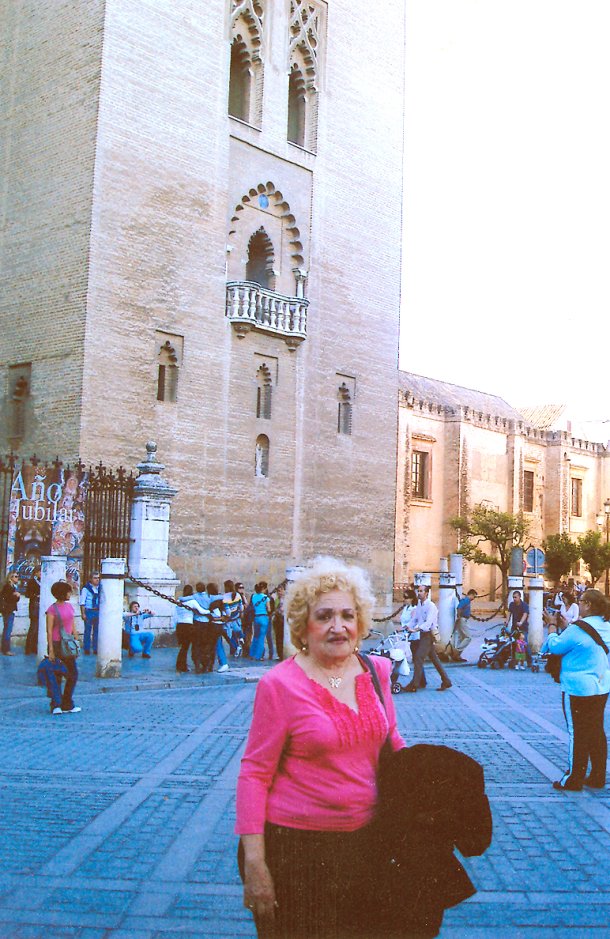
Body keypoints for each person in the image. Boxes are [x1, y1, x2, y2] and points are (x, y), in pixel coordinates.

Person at [235, 556, 405, 938]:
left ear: (360, 621)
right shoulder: (280, 685)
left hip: (366, 843)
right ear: (303, 623)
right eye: (324, 615)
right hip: (296, 850)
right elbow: (254, 774)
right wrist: (256, 864)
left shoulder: (376, 671)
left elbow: (393, 743)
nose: (338, 626)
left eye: (347, 615)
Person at [541, 588, 610, 792]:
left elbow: (555, 647)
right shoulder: (606, 625)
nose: (578, 604)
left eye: (581, 601)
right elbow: (584, 641)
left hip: (577, 688)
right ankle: (598, 776)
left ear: (588, 604)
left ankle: (573, 778)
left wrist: (552, 627)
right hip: (601, 686)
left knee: (577, 732)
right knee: (596, 730)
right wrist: (567, 626)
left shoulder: (579, 628)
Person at [405, 585, 452, 692]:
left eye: (422, 591)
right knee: (434, 659)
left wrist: (415, 629)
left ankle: (415, 684)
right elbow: (415, 619)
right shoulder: (419, 606)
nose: (419, 593)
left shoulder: (431, 606)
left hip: (429, 635)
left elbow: (428, 623)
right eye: (418, 591)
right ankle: (446, 680)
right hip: (423, 635)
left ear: (427, 593)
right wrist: (408, 626)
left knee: (418, 657)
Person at [45, 581, 81, 715]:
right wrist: (51, 651)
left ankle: (67, 702)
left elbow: (72, 624)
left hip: (68, 644)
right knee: (56, 675)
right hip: (56, 643)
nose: (69, 594)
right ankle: (55, 704)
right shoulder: (52, 609)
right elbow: (49, 630)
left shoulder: (70, 607)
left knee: (73, 674)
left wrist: (76, 640)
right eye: (68, 591)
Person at [174, 585, 207, 673]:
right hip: (188, 626)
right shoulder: (192, 602)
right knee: (190, 646)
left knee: (183, 647)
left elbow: (175, 615)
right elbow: (201, 611)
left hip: (179, 625)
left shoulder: (178, 601)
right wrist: (210, 611)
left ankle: (180, 665)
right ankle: (184, 665)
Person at [248, 582, 272, 661]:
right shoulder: (266, 597)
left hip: (256, 617)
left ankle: (252, 654)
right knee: (262, 638)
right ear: (263, 589)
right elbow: (269, 609)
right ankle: (258, 656)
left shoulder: (254, 596)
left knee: (255, 636)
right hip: (264, 617)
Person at [451, 589, 477, 662]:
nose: (474, 598)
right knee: (468, 637)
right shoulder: (466, 600)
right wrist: (459, 616)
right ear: (471, 594)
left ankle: (458, 656)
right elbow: (459, 607)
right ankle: (457, 651)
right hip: (462, 619)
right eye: (474, 596)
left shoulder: (467, 601)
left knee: (462, 637)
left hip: (463, 619)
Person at [79, 572, 100, 655]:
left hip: (97, 610)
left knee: (97, 631)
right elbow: (82, 602)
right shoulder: (86, 589)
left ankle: (96, 648)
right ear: (91, 579)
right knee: (87, 630)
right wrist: (83, 613)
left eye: (98, 578)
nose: (97, 579)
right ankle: (87, 648)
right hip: (89, 611)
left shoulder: (100, 588)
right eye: (95, 578)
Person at [1, 571, 21, 656]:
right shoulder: (8, 587)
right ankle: (6, 649)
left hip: (9, 610)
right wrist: (15, 595)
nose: (17, 578)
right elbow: (8, 599)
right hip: (8, 610)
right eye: (16, 576)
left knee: (7, 629)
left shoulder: (12, 587)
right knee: (8, 630)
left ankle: (4, 648)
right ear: (11, 577)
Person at [223, 580, 245, 656]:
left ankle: (236, 647)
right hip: (236, 617)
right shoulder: (238, 595)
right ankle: (241, 638)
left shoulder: (225, 597)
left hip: (229, 620)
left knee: (229, 635)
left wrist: (226, 617)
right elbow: (241, 607)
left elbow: (228, 611)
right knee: (238, 630)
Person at [24, 566, 41, 655]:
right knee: (33, 627)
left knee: (38, 628)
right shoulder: (31, 582)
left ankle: (34, 647)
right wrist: (35, 595)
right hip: (34, 606)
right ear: (36, 572)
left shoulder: (42, 581)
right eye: (40, 572)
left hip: (40, 606)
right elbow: (27, 594)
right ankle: (28, 648)